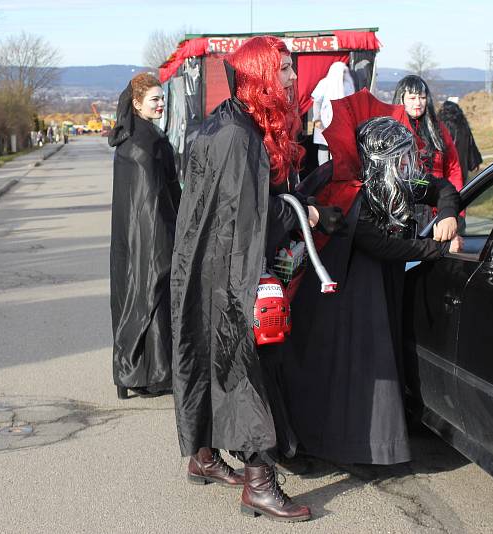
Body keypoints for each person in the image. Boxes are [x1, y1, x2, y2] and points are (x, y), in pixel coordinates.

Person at [171, 36, 343, 523]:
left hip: (210, 268)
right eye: (285, 69)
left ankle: (203, 457)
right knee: (249, 369)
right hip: (232, 273)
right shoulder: (239, 135)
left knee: (213, 361)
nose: (293, 78)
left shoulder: (231, 122)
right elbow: (249, 222)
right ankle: (259, 483)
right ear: (263, 75)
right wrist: (302, 212)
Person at [282, 93, 461, 468]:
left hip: (377, 286)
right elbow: (377, 243)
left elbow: (441, 187)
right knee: (350, 366)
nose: (405, 165)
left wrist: (447, 214)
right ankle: (348, 443)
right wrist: (433, 249)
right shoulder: (346, 185)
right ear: (380, 158)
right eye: (398, 158)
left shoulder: (390, 179)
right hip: (342, 292)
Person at [108, 72, 181, 400]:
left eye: (162, 98)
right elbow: (154, 198)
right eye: (154, 99)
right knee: (152, 298)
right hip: (152, 236)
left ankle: (136, 371)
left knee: (134, 297)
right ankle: (154, 372)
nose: (161, 103)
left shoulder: (131, 138)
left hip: (134, 236)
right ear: (137, 104)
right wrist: (169, 234)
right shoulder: (145, 142)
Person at [393, 76, 462, 227]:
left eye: (422, 97)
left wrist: (456, 212)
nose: (418, 102)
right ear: (401, 99)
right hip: (401, 208)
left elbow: (453, 168)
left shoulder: (438, 129)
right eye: (412, 98)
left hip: (437, 207)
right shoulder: (392, 130)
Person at [311, 61, 355, 166]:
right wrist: (317, 119)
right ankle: (323, 170)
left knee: (339, 147)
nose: (344, 75)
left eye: (345, 72)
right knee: (324, 146)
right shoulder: (325, 83)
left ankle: (337, 170)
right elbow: (317, 102)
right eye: (342, 72)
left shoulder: (348, 85)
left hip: (342, 122)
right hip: (323, 120)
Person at [438, 100, 483, 186]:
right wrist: (475, 161)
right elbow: (471, 145)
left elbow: (470, 145)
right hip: (461, 168)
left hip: (447, 168)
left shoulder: (440, 128)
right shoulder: (463, 127)